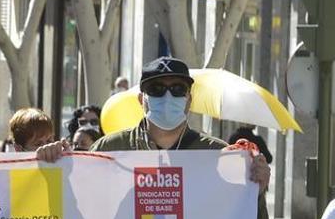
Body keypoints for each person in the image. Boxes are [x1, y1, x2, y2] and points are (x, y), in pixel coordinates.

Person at [36, 57, 270, 203]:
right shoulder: (110, 149)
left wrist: (256, 193)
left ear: (189, 100)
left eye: (177, 89)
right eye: (156, 89)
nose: (167, 96)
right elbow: (82, 211)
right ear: (142, 100)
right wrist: (54, 170)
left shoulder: (218, 155)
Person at [229, 125, 273, 219]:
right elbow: (269, 157)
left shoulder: (233, 138)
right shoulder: (257, 139)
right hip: (250, 185)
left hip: (246, 184)